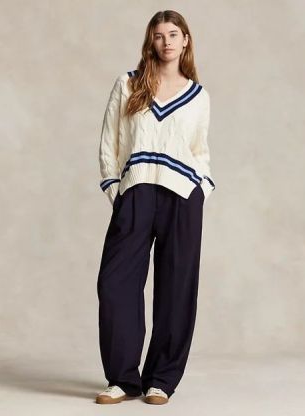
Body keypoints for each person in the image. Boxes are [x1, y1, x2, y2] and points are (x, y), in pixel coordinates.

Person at [95, 9, 216, 405]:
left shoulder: (198, 96)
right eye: (159, 35)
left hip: (182, 196)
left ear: (185, 40)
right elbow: (110, 142)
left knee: (177, 287)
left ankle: (160, 380)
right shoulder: (129, 84)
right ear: (151, 40)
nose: (167, 42)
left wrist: (202, 188)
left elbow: (200, 150)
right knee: (115, 284)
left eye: (174, 34)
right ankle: (123, 380)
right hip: (136, 192)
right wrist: (116, 190)